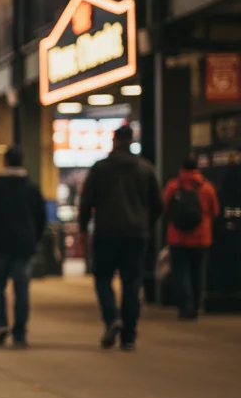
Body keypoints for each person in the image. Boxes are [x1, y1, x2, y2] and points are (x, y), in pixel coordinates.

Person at [78, 125, 163, 351]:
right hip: (136, 234)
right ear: (132, 141)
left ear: (114, 141)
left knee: (103, 278)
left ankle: (111, 318)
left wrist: (83, 229)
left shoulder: (100, 168)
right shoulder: (146, 169)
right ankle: (128, 336)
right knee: (132, 283)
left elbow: (86, 202)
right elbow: (158, 205)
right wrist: (145, 223)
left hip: (106, 233)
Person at [0, 146, 46, 348]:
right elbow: (41, 218)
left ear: (4, 162)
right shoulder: (32, 187)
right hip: (23, 245)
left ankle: (1, 325)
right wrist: (33, 239)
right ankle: (20, 333)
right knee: (21, 290)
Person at [162, 155, 220, 321]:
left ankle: (184, 306)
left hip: (177, 238)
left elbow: (164, 208)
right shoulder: (207, 188)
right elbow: (214, 211)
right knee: (198, 273)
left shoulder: (173, 187)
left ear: (182, 168)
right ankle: (196, 306)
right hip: (201, 238)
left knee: (180, 273)